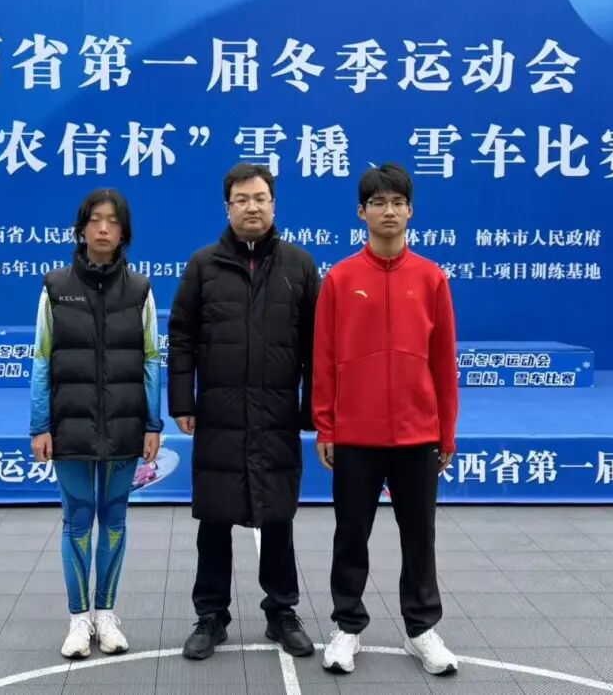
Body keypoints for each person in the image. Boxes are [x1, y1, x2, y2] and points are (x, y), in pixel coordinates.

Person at [313, 163, 459, 676]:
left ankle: (422, 629)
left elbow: (443, 363)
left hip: (418, 434)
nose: (389, 211)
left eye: (398, 202)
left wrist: (445, 432)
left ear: (411, 210)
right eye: (378, 203)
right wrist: (326, 425)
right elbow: (324, 357)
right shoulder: (340, 278)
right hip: (356, 434)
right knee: (351, 534)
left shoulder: (432, 278)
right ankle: (347, 626)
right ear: (362, 212)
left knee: (419, 535)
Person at [168, 163, 318, 660]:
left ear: (274, 204)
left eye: (260, 198)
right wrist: (182, 402)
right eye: (242, 199)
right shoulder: (203, 265)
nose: (252, 207)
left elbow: (316, 345)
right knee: (215, 519)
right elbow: (182, 337)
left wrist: (313, 409)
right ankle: (210, 616)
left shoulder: (299, 266)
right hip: (220, 412)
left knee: (277, 517)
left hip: (276, 412)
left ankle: (282, 612)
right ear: (227, 207)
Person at [28, 188, 163, 659]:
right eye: (95, 220)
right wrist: (40, 426)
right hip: (70, 427)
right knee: (78, 522)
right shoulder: (55, 287)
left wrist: (152, 423)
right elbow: (41, 359)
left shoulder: (141, 290)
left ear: (124, 232)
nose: (103, 228)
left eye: (113, 221)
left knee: (115, 521)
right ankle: (77, 620)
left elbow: (151, 359)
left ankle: (105, 615)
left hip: (125, 426)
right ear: (81, 228)